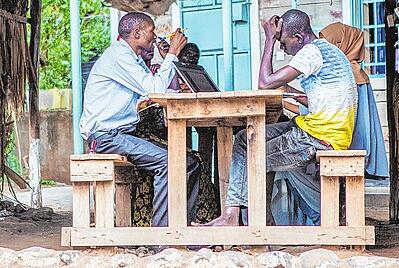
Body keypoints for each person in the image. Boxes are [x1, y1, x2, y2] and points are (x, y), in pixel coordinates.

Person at [200, 9, 358, 226]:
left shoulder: (310, 52)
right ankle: (237, 215)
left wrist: (269, 40)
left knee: (250, 157)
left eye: (283, 43)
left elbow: (264, 83)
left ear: (298, 38)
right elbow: (320, 101)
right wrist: (288, 89)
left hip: (317, 138)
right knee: (245, 139)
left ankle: (244, 220)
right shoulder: (330, 52)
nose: (283, 48)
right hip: (315, 129)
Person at [80, 12, 199, 227]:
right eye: (151, 32)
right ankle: (163, 238)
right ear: (136, 33)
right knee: (169, 163)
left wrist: (166, 58)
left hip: (120, 135)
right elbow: (154, 90)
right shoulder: (118, 56)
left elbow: (154, 91)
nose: (155, 36)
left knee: (189, 162)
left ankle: (182, 229)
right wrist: (172, 52)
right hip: (106, 137)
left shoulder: (131, 58)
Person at [272, 22, 389, 225]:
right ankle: (323, 214)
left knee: (279, 157)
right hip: (331, 135)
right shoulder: (348, 70)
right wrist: (292, 93)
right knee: (287, 156)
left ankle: (323, 215)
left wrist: (287, 97)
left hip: (330, 138)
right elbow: (317, 104)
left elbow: (315, 110)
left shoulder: (347, 74)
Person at [130, 43, 219, 227]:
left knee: (196, 156)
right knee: (191, 160)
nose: (147, 57)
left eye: (193, 60)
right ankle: (181, 224)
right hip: (145, 138)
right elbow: (155, 113)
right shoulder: (151, 76)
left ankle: (198, 221)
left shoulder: (175, 75)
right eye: (143, 54)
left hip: (162, 138)